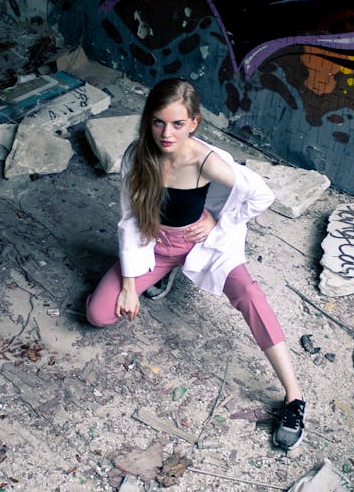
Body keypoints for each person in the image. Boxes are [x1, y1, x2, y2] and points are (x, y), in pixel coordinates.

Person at [86, 77, 305, 450]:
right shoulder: (136, 156)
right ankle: (163, 275)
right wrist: (128, 284)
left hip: (200, 246)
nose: (166, 133)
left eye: (177, 123)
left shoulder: (207, 161)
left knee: (250, 294)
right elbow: (128, 220)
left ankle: (294, 395)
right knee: (98, 315)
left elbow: (261, 194)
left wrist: (217, 220)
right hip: (153, 247)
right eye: (158, 122)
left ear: (194, 123)